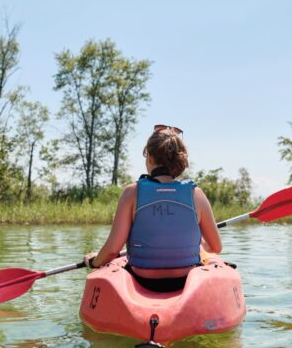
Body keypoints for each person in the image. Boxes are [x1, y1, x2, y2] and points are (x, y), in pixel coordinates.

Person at [84, 124, 222, 292]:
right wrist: (194, 242)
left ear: (149, 157)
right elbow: (216, 247)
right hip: (185, 280)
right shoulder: (196, 194)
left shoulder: (131, 193)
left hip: (143, 280)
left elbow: (113, 251)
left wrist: (94, 261)